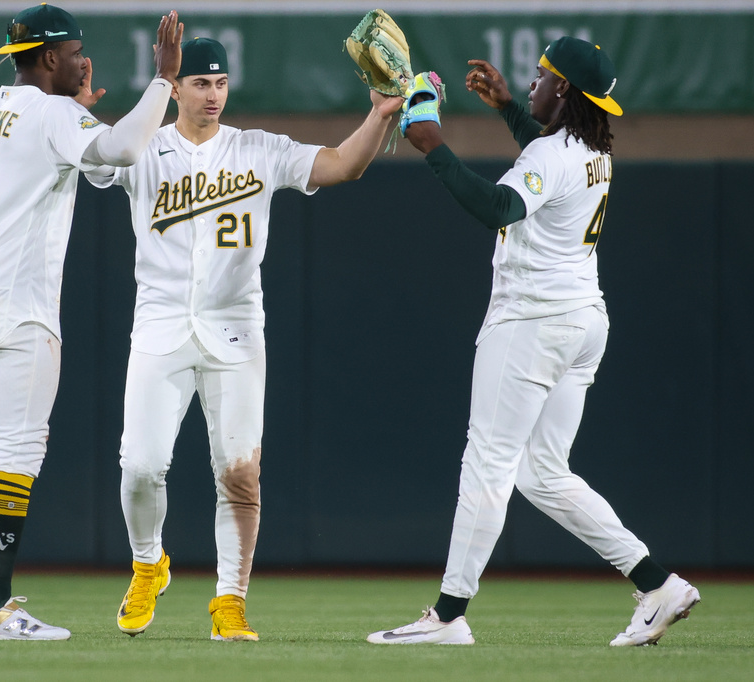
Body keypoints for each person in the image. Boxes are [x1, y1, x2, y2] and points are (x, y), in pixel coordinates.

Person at [367, 37, 700, 647]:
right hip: (582, 322)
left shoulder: (559, 152)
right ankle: (659, 584)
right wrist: (506, 110)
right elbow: (549, 161)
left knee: (487, 465)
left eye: (542, 76)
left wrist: (431, 144)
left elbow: (499, 205)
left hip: (531, 324)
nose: (531, 84)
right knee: (543, 473)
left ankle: (446, 616)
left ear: (565, 90)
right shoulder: (594, 147)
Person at [85, 37, 403, 641]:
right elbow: (93, 157)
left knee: (239, 474)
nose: (213, 94)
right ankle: (149, 564)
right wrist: (84, 107)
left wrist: (378, 115)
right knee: (140, 468)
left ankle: (230, 601)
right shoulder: (145, 147)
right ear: (175, 88)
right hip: (160, 328)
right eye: (200, 83)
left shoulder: (256, 149)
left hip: (235, 331)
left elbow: (342, 164)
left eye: (220, 83)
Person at [0, 3, 183, 640]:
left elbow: (97, 167)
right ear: (50, 57)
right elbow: (126, 150)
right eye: (76, 51)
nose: (84, 60)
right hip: (19, 303)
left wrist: (83, 113)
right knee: (18, 450)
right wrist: (163, 79)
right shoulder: (54, 112)